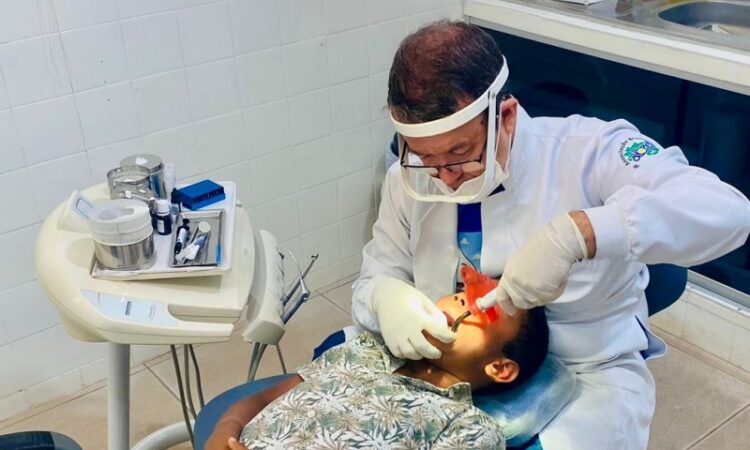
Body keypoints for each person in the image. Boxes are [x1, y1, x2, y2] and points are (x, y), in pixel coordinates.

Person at [351, 20, 750, 450]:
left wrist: (581, 234)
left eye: (460, 153)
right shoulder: (409, 179)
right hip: (446, 364)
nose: (445, 177)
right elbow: (375, 278)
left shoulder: (589, 151)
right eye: (426, 158)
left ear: (505, 117)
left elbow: (727, 212)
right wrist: (384, 297)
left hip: (585, 373)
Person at [205, 292, 549, 450]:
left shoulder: (469, 429)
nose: (464, 300)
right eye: (464, 290)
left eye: (487, 309)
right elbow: (263, 399)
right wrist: (223, 432)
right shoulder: (367, 349)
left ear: (500, 368)